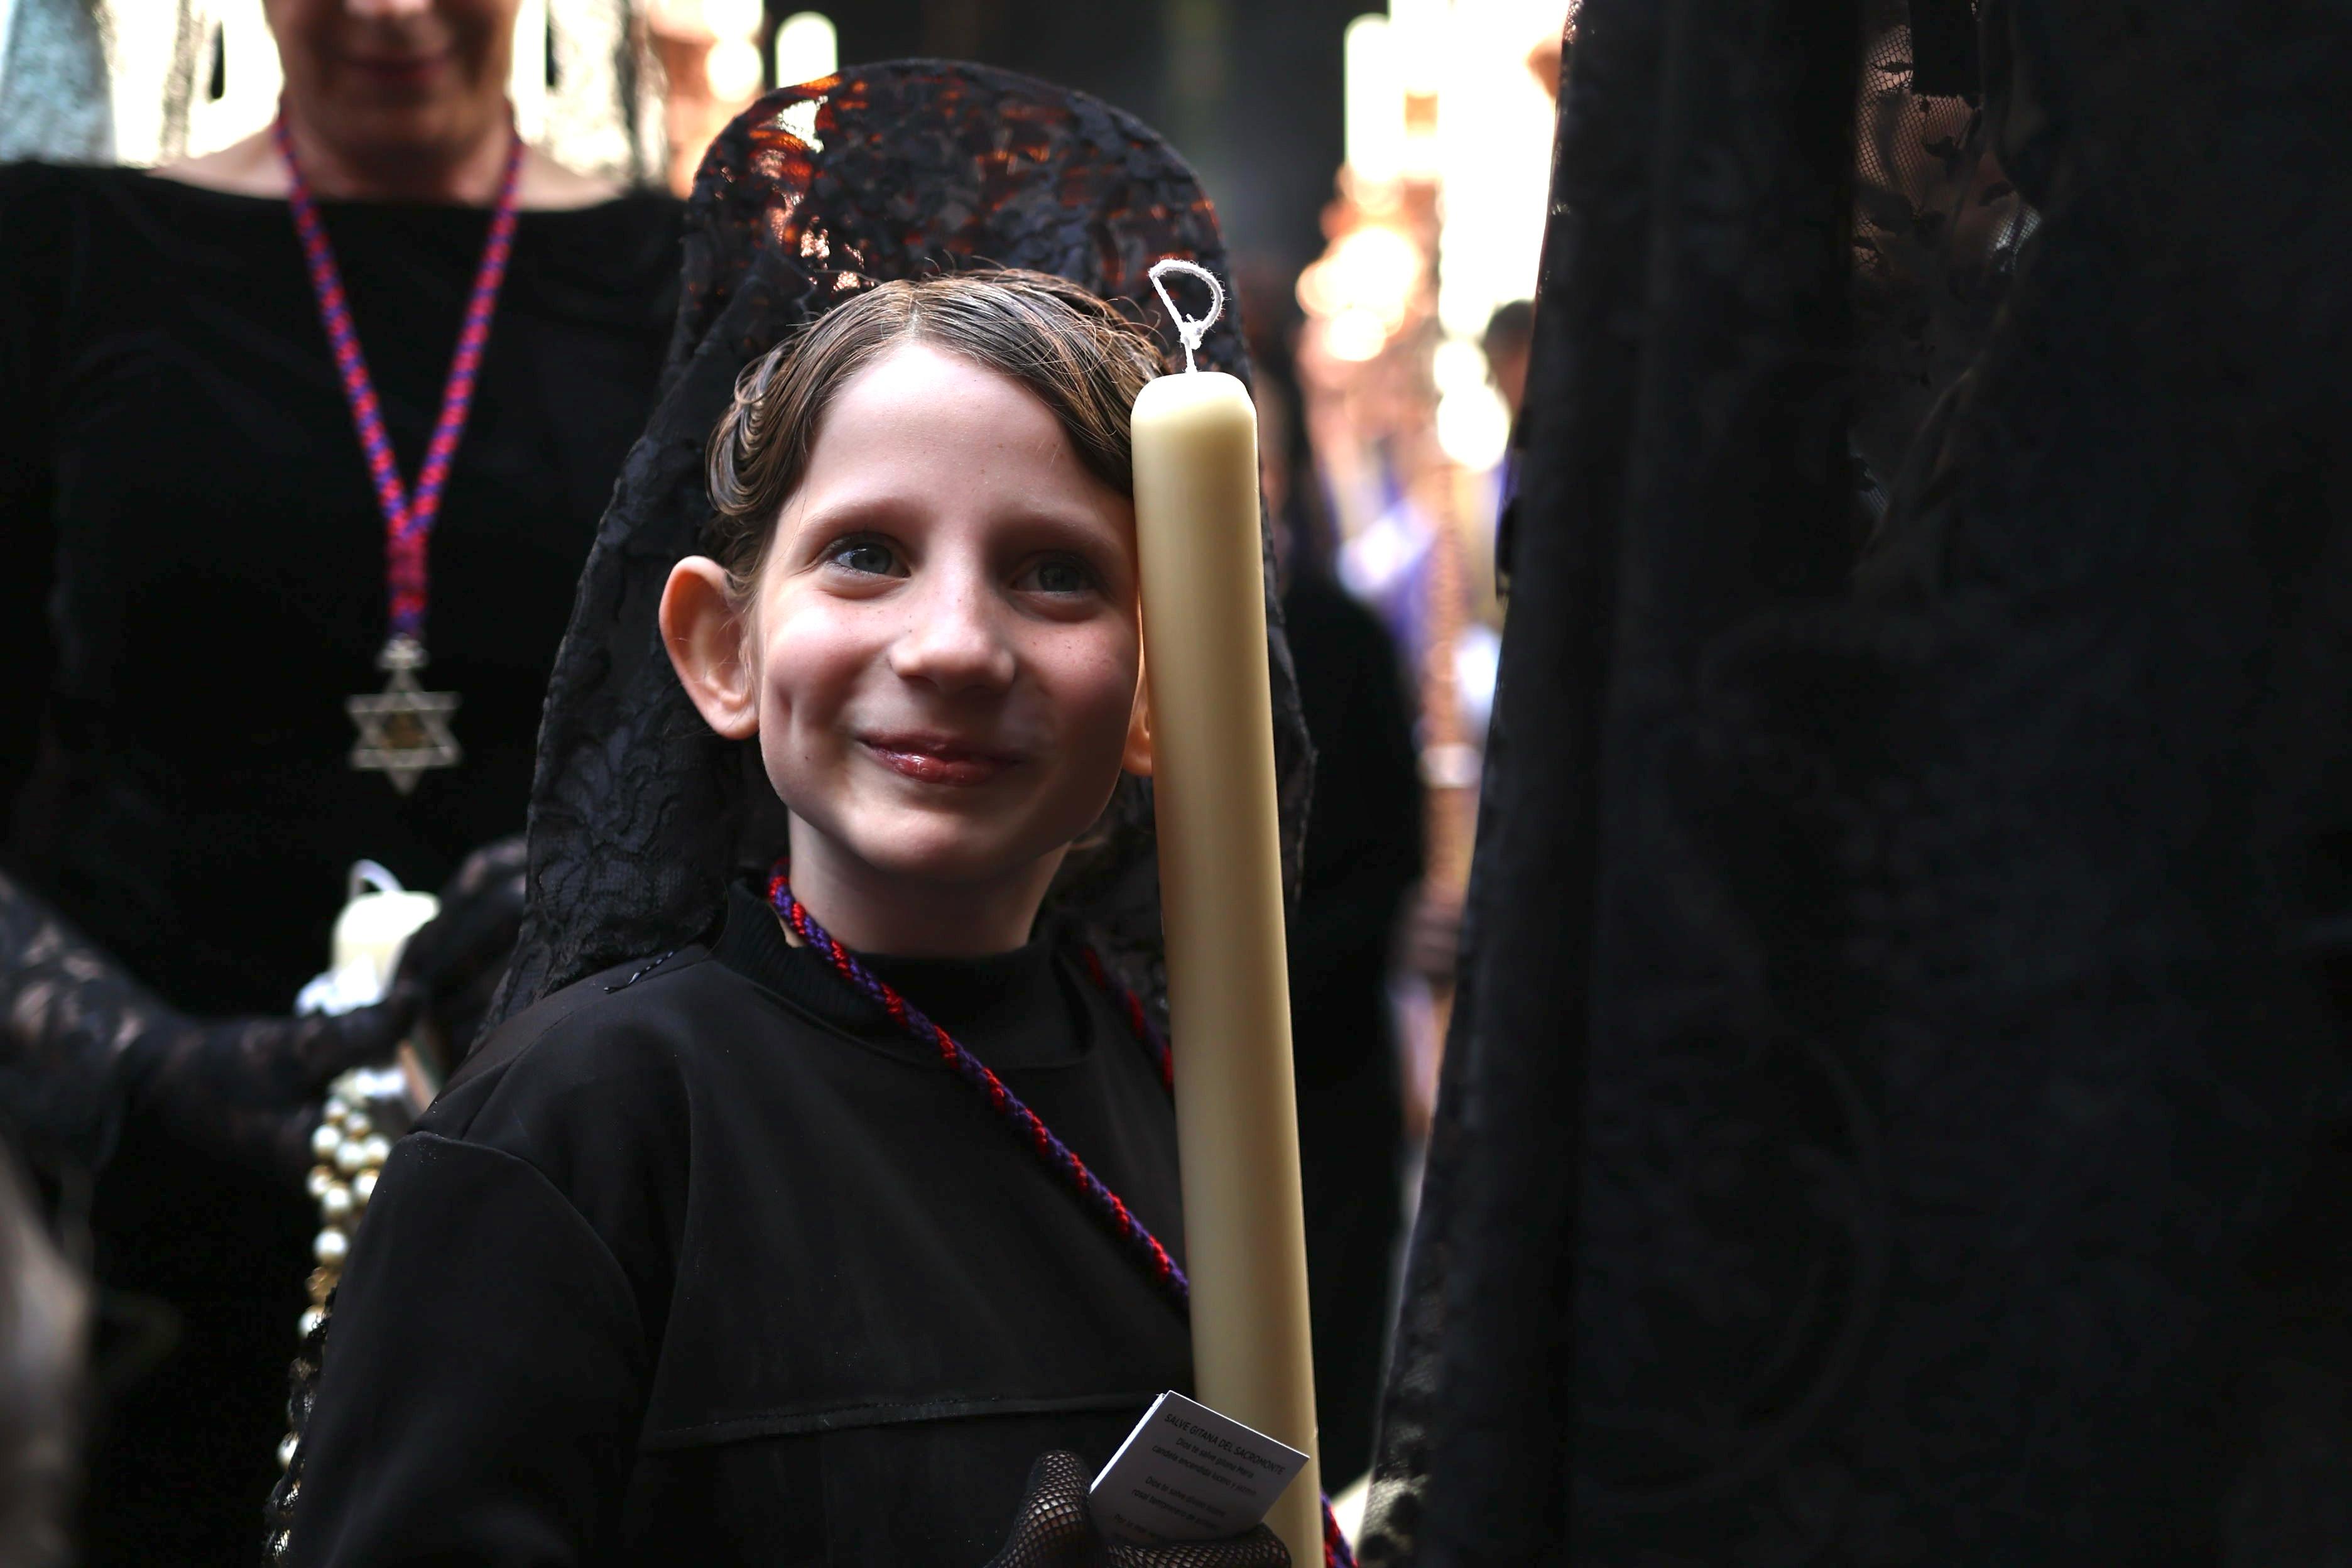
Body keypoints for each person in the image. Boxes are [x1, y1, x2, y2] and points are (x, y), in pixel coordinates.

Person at [275, 64, 1348, 1567]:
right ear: (723, 648)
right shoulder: (578, 1134)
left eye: (1055, 573)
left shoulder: (1198, 1100)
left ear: (1169, 688)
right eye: (865, 553)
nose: (956, 645)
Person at [0, 0, 682, 1555]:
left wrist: (602, 886)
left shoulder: (681, 275)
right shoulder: (65, 250)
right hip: (150, 1206)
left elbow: (753, 710)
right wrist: (133, 1066)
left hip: (577, 1148)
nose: (386, 10)